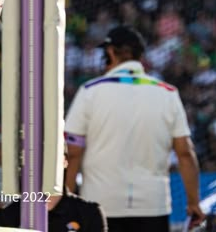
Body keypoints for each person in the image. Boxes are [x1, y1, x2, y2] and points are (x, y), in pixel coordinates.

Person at [64, 25, 204, 232]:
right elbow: (185, 152)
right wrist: (193, 203)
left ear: (111, 52)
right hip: (152, 204)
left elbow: (73, 152)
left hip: (100, 201)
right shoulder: (167, 93)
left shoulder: (90, 92)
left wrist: (68, 199)